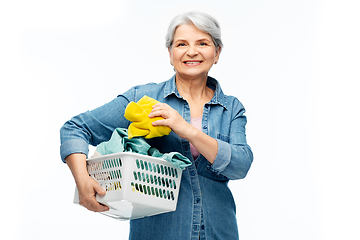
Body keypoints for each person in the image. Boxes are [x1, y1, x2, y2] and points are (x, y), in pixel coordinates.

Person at [60, 11, 253, 240]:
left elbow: (240, 165)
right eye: (182, 44)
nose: (192, 51)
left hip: (218, 232)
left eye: (203, 43)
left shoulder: (231, 108)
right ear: (170, 53)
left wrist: (186, 129)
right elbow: (75, 128)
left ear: (217, 52)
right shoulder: (144, 99)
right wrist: (82, 180)